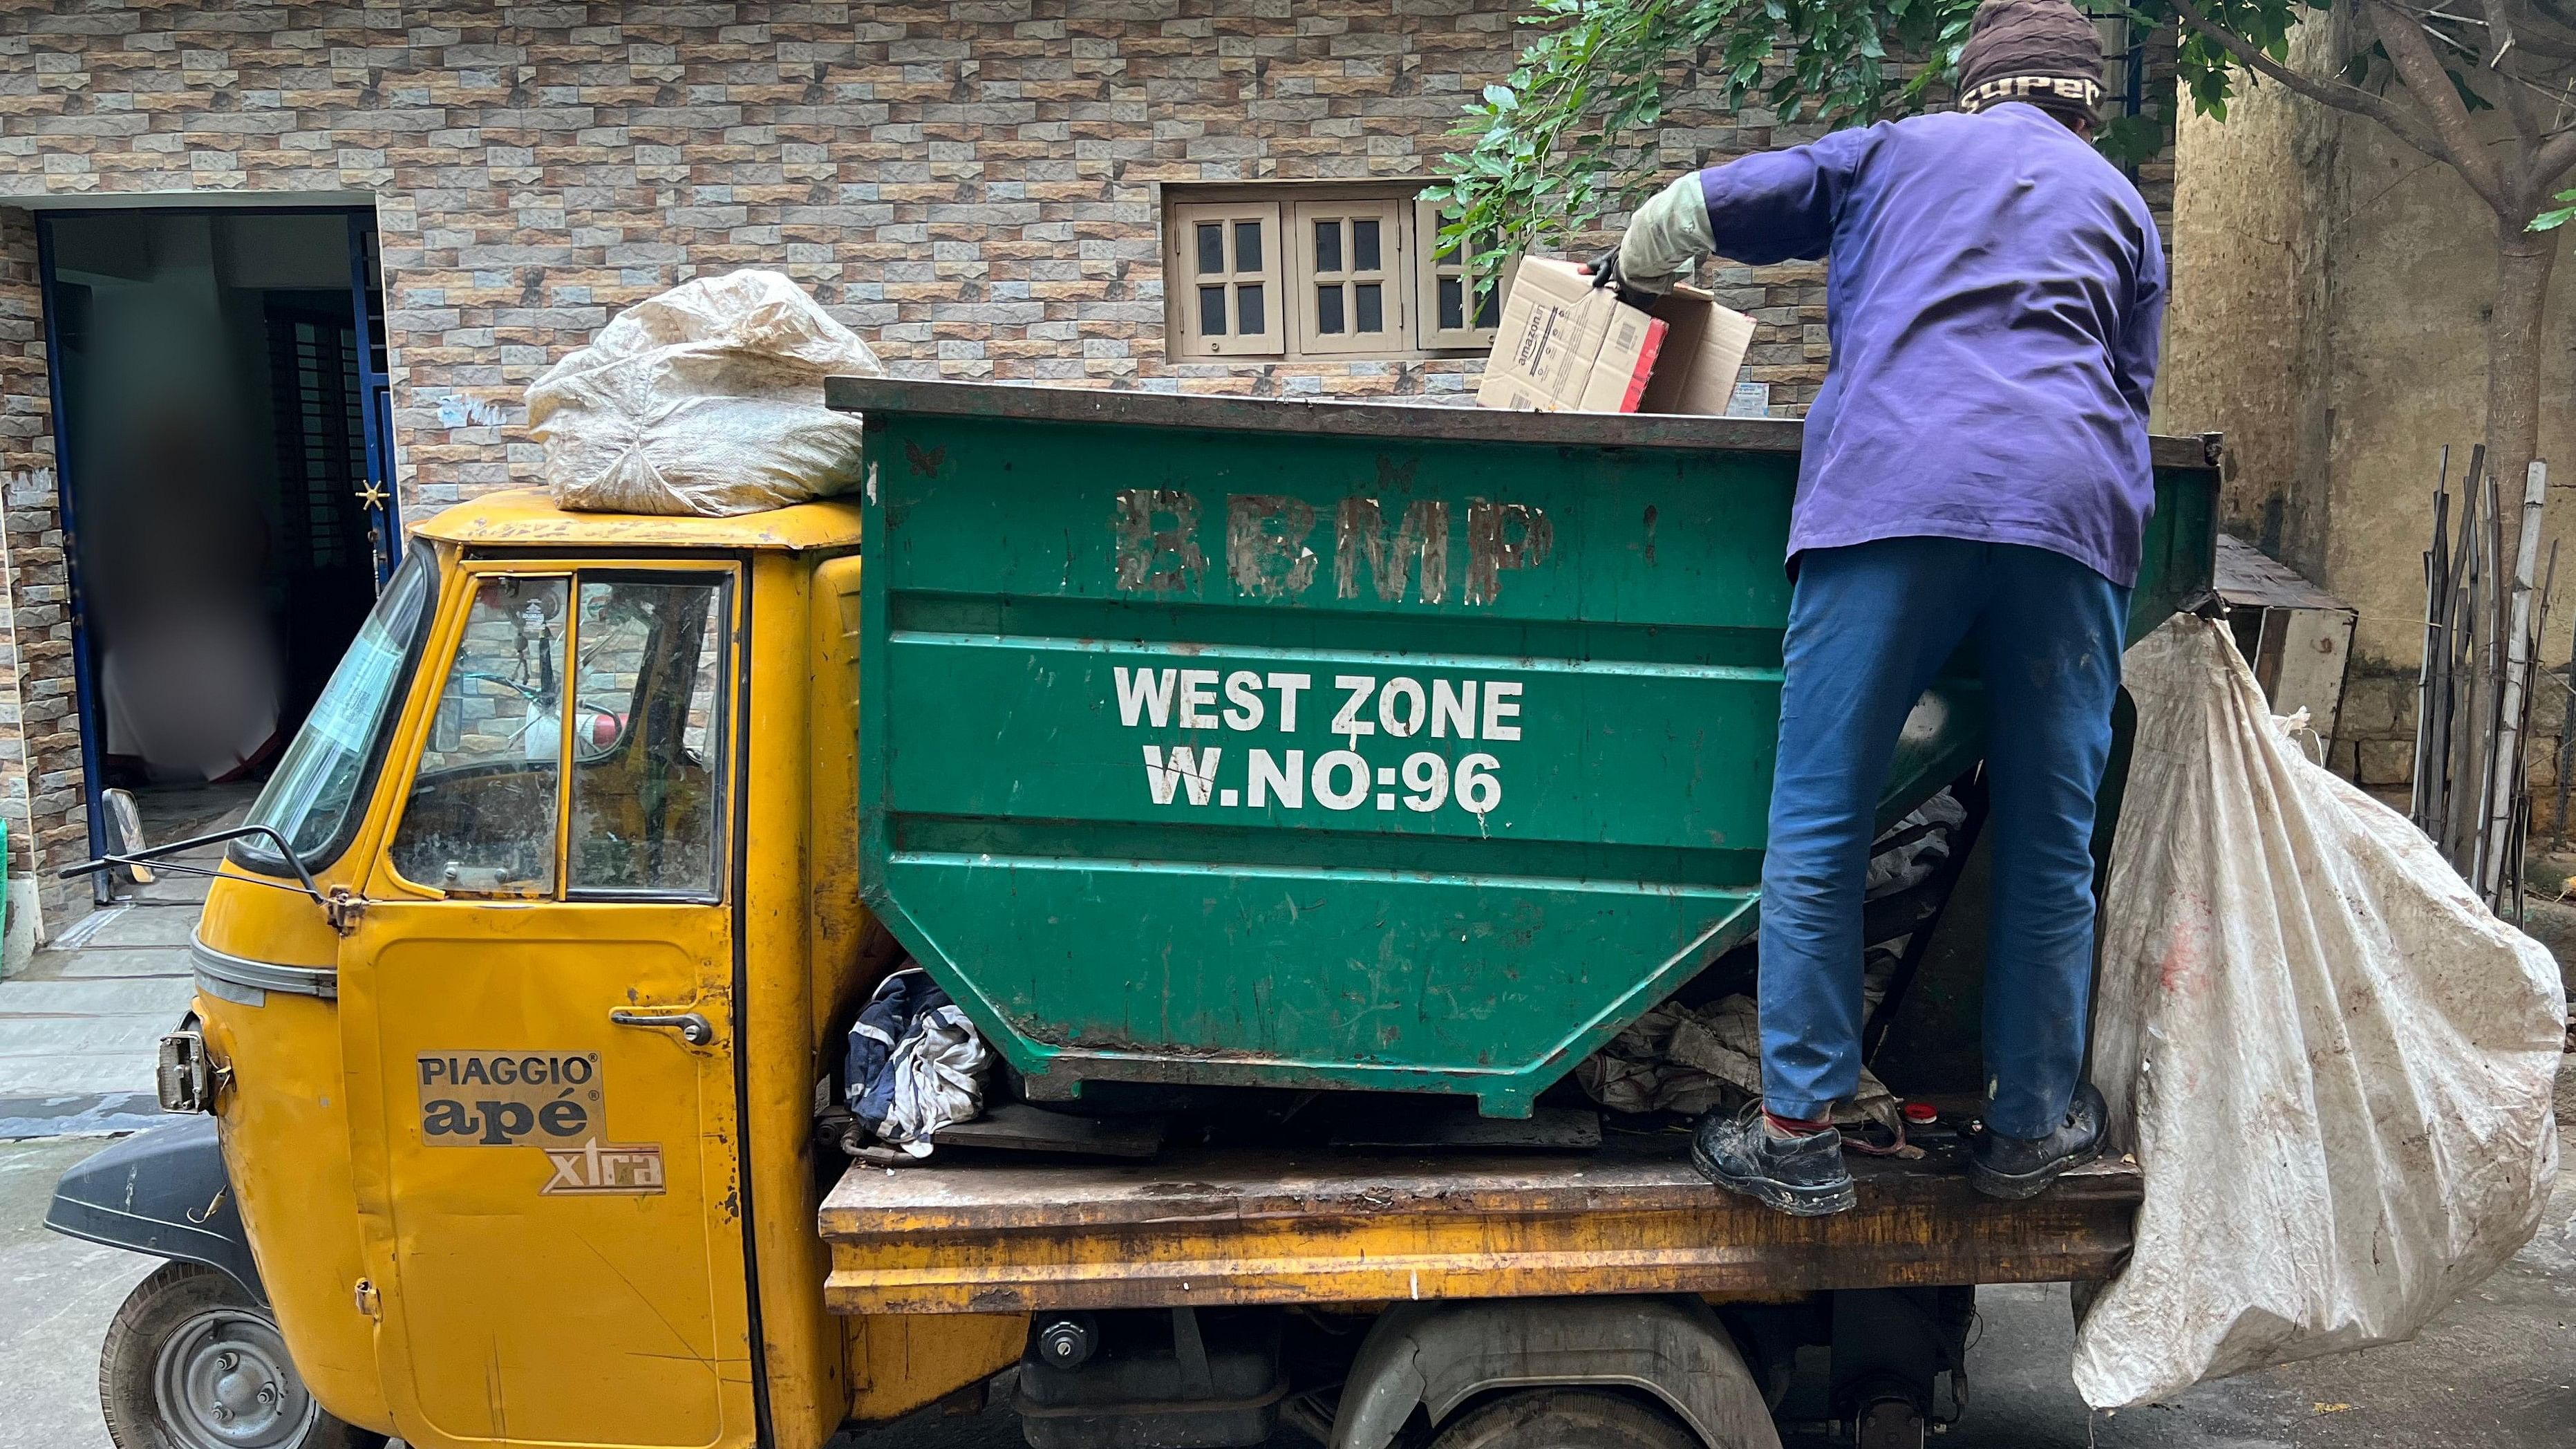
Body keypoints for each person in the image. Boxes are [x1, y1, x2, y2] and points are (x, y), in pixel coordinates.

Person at [1590, 0, 2165, 1215]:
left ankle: (1799, 1131)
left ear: (1976, 89)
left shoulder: (1890, 153)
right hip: (2069, 520)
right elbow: (2128, 386)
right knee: (2051, 840)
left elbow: (1682, 215)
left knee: (1822, 824)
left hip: (1894, 493)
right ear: (2084, 102)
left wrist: (1630, 276)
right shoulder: (2122, 206)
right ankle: (2023, 1128)